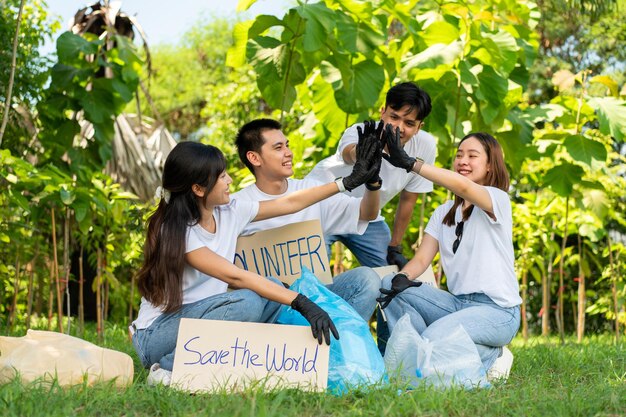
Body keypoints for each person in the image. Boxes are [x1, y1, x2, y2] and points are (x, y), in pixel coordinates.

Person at [131, 138, 380, 386]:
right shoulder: (177, 230)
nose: (229, 181)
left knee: (270, 288)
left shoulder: (230, 212)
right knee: (248, 300)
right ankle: (165, 370)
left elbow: (291, 203)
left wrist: (345, 183)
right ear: (198, 189)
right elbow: (235, 277)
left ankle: (304, 361)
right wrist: (299, 301)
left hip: (204, 322)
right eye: (221, 177)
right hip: (157, 336)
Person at [376, 131, 522, 381]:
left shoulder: (496, 200)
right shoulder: (443, 213)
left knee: (437, 335)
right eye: (459, 155)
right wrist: (402, 278)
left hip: (498, 312)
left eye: (472, 156)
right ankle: (417, 358)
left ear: (489, 166)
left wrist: (412, 163)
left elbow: (463, 186)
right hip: (457, 305)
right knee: (389, 285)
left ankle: (492, 356)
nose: (463, 160)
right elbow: (421, 260)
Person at [232, 118, 382, 322]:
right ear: (254, 158)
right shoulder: (237, 204)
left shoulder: (311, 189)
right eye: (278, 147)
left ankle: (341, 344)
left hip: (317, 298)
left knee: (367, 279)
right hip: (269, 308)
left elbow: (366, 213)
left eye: (287, 145)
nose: (288, 153)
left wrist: (373, 182)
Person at [306, 81, 437, 269]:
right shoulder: (360, 131)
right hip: (322, 207)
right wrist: (365, 153)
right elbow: (349, 153)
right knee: (314, 275)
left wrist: (395, 245)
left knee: (389, 273)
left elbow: (409, 198)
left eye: (409, 123)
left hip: (366, 213)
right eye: (394, 117)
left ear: (419, 127)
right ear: (382, 112)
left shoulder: (425, 146)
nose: (399, 127)